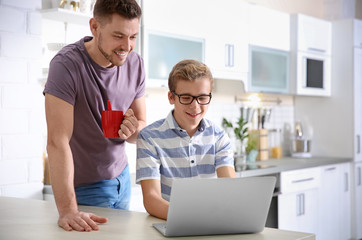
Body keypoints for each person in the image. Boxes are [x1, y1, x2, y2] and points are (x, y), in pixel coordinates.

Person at [43, 0, 146, 232]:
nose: (127, 46)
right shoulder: (67, 65)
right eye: (118, 36)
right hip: (85, 187)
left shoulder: (136, 64)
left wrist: (133, 129)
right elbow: (57, 142)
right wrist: (68, 210)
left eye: (133, 37)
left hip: (123, 179)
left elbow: (141, 128)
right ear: (94, 27)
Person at [136, 59, 236, 220]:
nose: (195, 106)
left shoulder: (218, 136)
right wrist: (192, 218)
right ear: (171, 97)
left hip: (211, 222)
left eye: (202, 98)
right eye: (186, 97)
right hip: (170, 223)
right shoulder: (149, 137)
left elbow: (230, 188)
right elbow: (151, 200)